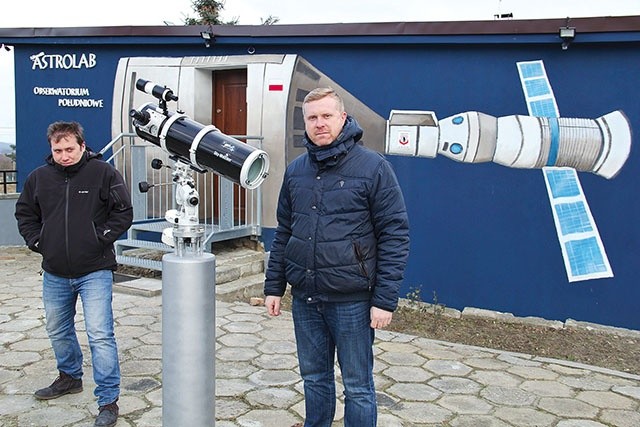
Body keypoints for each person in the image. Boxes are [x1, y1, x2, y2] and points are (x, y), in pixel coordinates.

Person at [264, 87, 410, 426]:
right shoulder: (296, 170)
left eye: (327, 116)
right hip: (306, 298)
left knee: (358, 387)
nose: (319, 123)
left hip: (352, 302)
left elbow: (395, 234)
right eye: (312, 117)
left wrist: (384, 300)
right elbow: (285, 231)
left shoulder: (373, 167)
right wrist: (274, 287)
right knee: (314, 379)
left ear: (343, 117)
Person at [15, 121, 133, 427]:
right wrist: (38, 241)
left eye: (70, 149)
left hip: (94, 269)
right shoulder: (39, 178)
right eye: (58, 150)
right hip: (55, 272)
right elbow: (25, 213)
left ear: (82, 146)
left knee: (100, 335)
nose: (64, 156)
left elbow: (123, 211)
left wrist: (99, 238)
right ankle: (69, 377)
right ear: (51, 149)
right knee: (57, 329)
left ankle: (108, 401)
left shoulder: (103, 173)